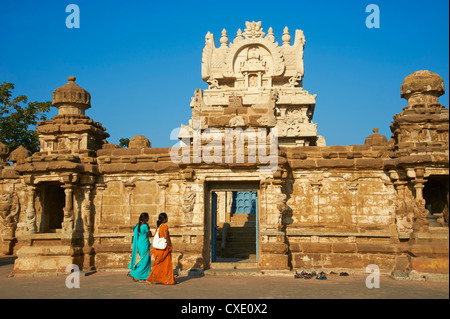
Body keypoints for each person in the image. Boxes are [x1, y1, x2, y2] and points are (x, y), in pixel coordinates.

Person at [146, 212, 177, 285]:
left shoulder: (158, 227)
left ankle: (168, 279)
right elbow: (166, 237)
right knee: (163, 264)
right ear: (164, 219)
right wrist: (170, 245)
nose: (167, 218)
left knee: (162, 264)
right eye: (166, 217)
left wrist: (152, 249)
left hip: (158, 249)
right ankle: (150, 278)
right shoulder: (164, 226)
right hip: (164, 248)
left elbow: (155, 238)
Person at [127, 212, 152, 282]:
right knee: (145, 260)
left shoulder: (138, 225)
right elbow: (149, 234)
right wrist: (149, 231)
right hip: (144, 243)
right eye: (148, 217)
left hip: (140, 243)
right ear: (145, 218)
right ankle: (133, 273)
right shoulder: (145, 226)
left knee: (144, 259)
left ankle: (145, 276)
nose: (149, 218)